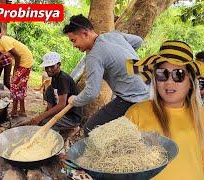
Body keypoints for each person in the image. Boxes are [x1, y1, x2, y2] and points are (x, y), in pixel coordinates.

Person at [125, 40, 204, 179]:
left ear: (191, 82)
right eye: (162, 74)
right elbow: (123, 162)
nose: (169, 82)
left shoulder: (201, 116)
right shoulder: (136, 113)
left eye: (178, 74)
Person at [63, 14, 149, 136]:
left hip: (133, 98)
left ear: (85, 33)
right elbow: (138, 41)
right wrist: (125, 58)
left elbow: (91, 93)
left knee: (89, 129)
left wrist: (74, 100)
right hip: (149, 87)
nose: (74, 45)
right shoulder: (113, 35)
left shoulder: (94, 56)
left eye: (74, 40)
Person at [27, 52, 82, 132]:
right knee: (49, 90)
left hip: (71, 117)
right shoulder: (55, 78)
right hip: (63, 113)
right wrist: (45, 114)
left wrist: (41, 117)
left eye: (52, 66)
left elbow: (61, 105)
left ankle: (61, 134)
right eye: (47, 67)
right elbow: (54, 98)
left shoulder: (63, 79)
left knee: (44, 123)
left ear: (59, 65)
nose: (49, 69)